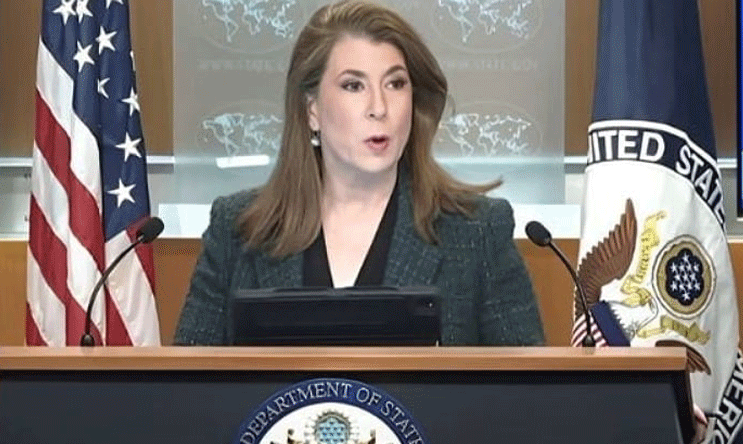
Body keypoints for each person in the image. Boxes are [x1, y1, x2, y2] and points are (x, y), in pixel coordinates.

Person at [175, 0, 544, 346]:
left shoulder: (476, 231)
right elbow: (189, 385)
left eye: (395, 84)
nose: (379, 107)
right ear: (312, 110)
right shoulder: (237, 230)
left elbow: (527, 388)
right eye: (354, 85)